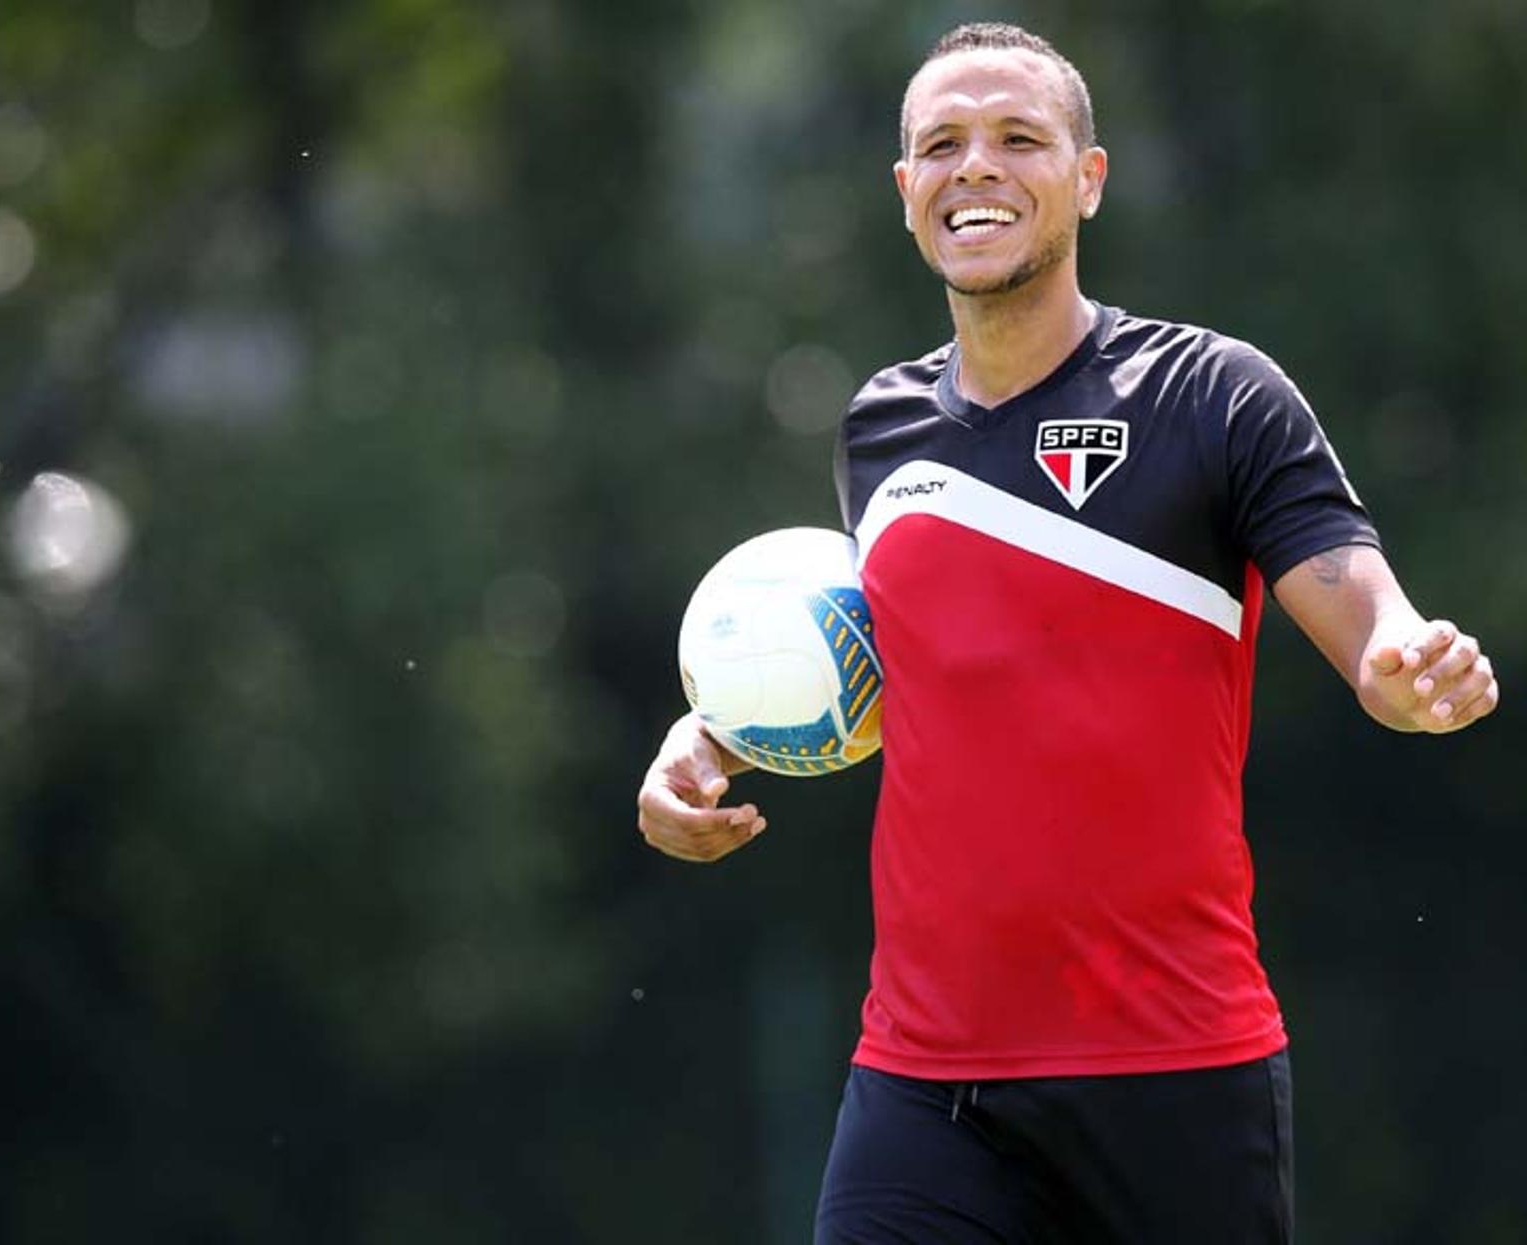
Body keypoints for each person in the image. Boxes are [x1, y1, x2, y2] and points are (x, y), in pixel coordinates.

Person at [635, 21, 1500, 1244]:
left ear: (1087, 178)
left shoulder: (1216, 395)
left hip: (1177, 1071)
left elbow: (1370, 621)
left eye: (1017, 139)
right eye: (942, 144)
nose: (975, 166)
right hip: (926, 1080)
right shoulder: (879, 426)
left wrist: (1408, 667)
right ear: (905, 193)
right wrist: (706, 739)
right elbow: (878, 650)